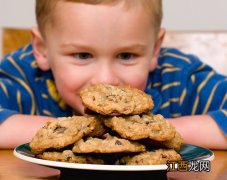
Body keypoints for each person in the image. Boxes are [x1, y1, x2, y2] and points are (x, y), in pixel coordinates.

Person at [0, 0, 226, 150]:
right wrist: (69, 132)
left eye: (126, 56)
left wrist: (155, 132)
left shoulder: (180, 78)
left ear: (155, 49)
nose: (105, 80)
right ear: (42, 49)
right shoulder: (23, 76)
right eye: (82, 55)